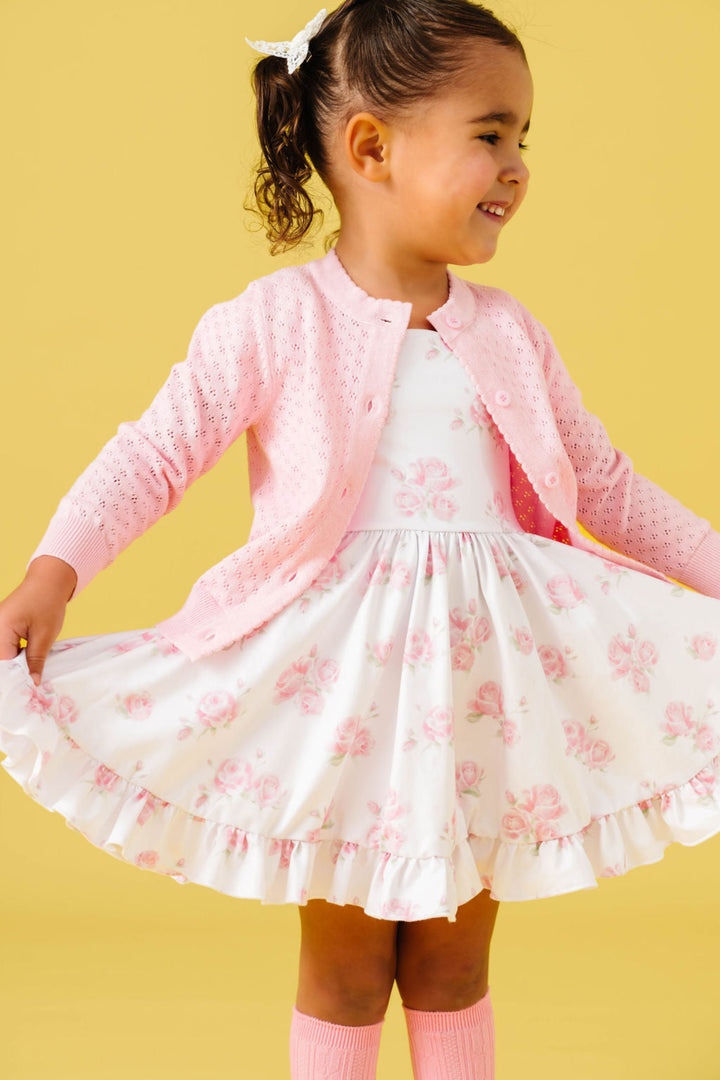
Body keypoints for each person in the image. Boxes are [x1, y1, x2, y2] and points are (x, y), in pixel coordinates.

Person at [1, 1, 720, 1077]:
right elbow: (154, 455)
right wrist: (54, 571)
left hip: (487, 682)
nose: (516, 165)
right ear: (371, 146)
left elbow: (604, 487)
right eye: (490, 134)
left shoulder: (511, 333)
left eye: (524, 139)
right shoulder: (273, 322)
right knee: (343, 964)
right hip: (335, 687)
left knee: (452, 961)